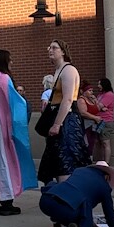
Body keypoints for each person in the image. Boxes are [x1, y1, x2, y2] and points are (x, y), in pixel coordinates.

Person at [0, 50, 37, 216]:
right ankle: (6, 202)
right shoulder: (3, 79)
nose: (12, 62)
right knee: (5, 162)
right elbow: (14, 103)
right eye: (10, 59)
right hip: (2, 128)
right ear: (4, 61)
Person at [37, 40, 90, 184]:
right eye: (49, 47)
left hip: (67, 121)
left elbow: (67, 100)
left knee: (65, 160)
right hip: (61, 119)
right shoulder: (58, 71)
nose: (50, 50)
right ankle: (62, 195)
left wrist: (57, 124)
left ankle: (67, 196)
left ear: (63, 51)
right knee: (57, 160)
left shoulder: (68, 70)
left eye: (54, 47)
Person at [39, 162, 114, 227]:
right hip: (68, 210)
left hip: (47, 200)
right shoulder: (104, 186)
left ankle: (58, 226)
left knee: (69, 197)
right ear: (107, 176)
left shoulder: (79, 170)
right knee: (83, 215)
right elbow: (109, 214)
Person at [95, 78, 114, 164]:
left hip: (106, 121)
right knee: (99, 142)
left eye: (100, 84)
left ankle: (106, 163)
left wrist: (99, 105)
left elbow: (98, 106)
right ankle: (100, 161)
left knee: (105, 142)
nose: (98, 86)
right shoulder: (100, 95)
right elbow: (96, 106)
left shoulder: (109, 95)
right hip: (98, 121)